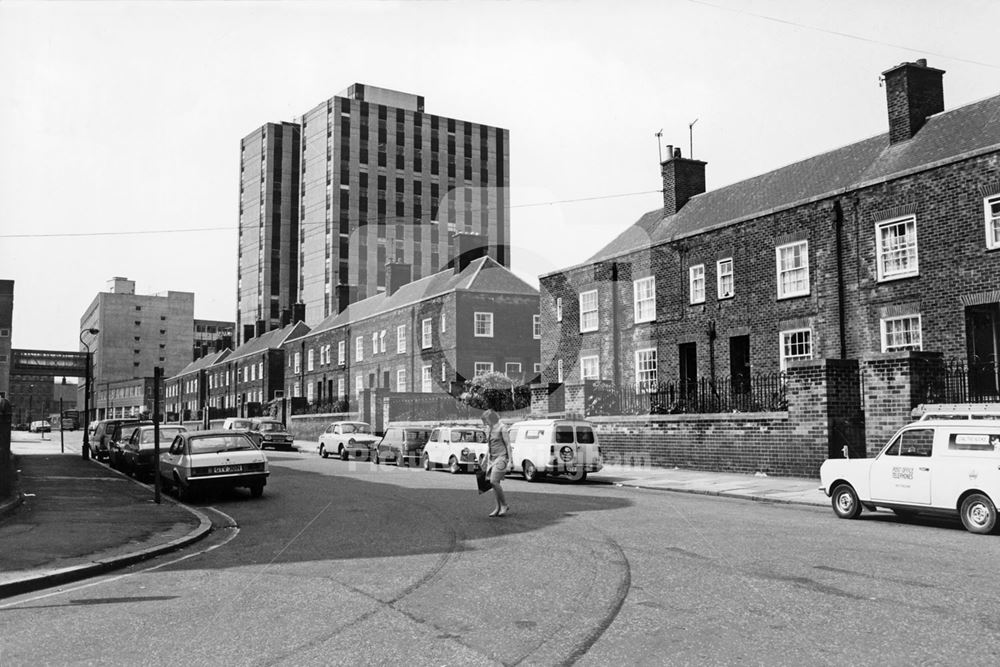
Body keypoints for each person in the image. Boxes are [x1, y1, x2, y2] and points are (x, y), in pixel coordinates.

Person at [481, 409, 512, 517]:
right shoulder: (489, 428)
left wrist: (510, 462)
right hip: (492, 459)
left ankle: (504, 505)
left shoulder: (502, 428)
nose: (486, 423)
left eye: (487, 420)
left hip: (501, 457)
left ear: (492, 419)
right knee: (493, 484)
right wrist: (485, 458)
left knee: (494, 481)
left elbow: (508, 444)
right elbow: (490, 445)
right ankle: (497, 507)